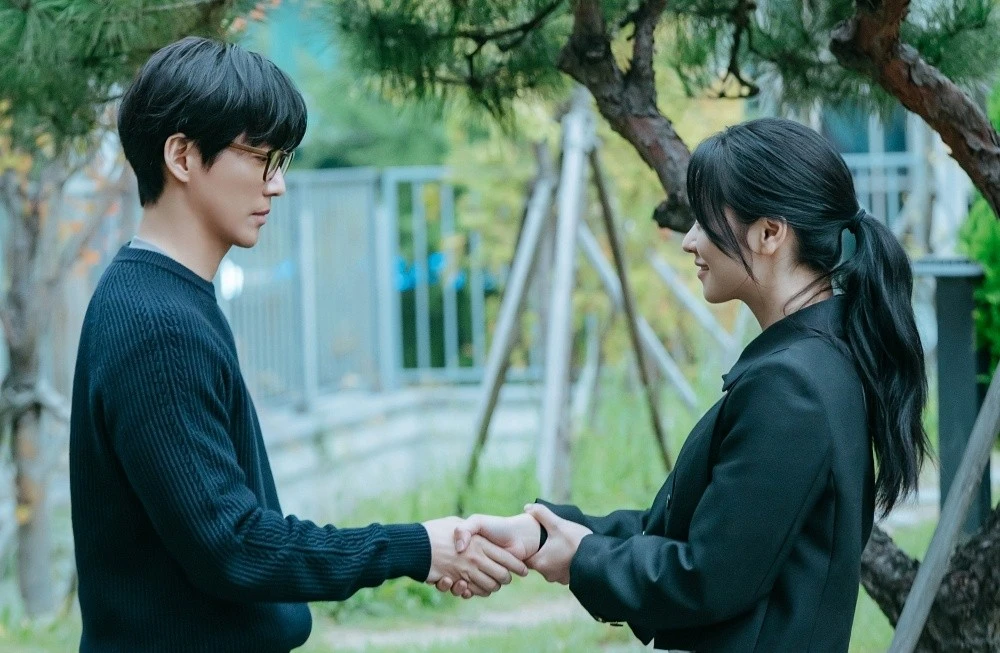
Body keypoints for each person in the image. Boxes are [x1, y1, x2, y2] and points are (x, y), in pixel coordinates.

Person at [69, 36, 526, 653]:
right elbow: (234, 546)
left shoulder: (159, 296)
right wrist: (416, 548)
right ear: (182, 155)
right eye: (260, 157)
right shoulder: (157, 326)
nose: (278, 185)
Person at [442, 117, 929, 652]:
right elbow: (694, 530)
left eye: (706, 220)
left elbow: (708, 578)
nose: (689, 241)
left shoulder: (791, 388)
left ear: (770, 233)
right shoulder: (820, 363)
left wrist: (583, 557)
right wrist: (544, 533)